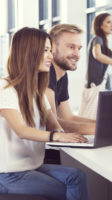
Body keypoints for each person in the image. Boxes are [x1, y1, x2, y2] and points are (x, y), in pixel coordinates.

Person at [0, 27, 88, 199]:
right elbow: (21, 131)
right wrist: (56, 136)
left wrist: (68, 135)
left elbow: (54, 125)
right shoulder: (5, 87)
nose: (50, 56)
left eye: (51, 51)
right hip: (8, 175)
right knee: (67, 190)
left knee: (77, 177)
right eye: (45, 51)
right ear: (29, 53)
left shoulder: (36, 92)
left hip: (31, 167)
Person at [46, 24, 95, 134]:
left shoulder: (62, 75)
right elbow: (53, 124)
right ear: (52, 47)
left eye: (79, 48)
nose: (77, 54)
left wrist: (110, 124)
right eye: (71, 47)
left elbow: (68, 118)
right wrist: (108, 129)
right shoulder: (47, 71)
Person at [80, 13, 112, 119]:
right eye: (108, 22)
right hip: (97, 83)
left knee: (103, 114)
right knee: (97, 116)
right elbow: (97, 55)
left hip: (102, 82)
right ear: (100, 25)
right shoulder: (97, 39)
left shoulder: (103, 41)